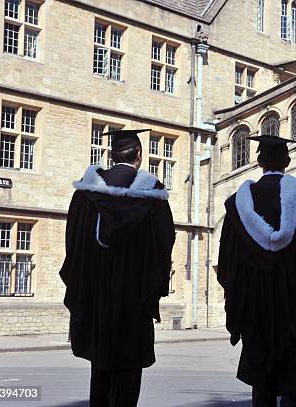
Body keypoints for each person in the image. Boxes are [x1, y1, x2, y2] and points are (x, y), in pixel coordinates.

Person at [217, 135, 296, 407]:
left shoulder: (238, 205)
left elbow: (227, 261)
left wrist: (241, 292)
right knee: (295, 372)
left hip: (255, 304)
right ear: (287, 161)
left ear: (259, 162)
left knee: (263, 379)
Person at [59, 129, 175, 407]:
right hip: (135, 299)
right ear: (139, 155)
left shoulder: (85, 195)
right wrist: (154, 289)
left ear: (111, 156)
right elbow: (164, 245)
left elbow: (73, 246)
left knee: (100, 366)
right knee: (129, 369)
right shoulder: (154, 198)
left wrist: (83, 288)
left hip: (97, 299)